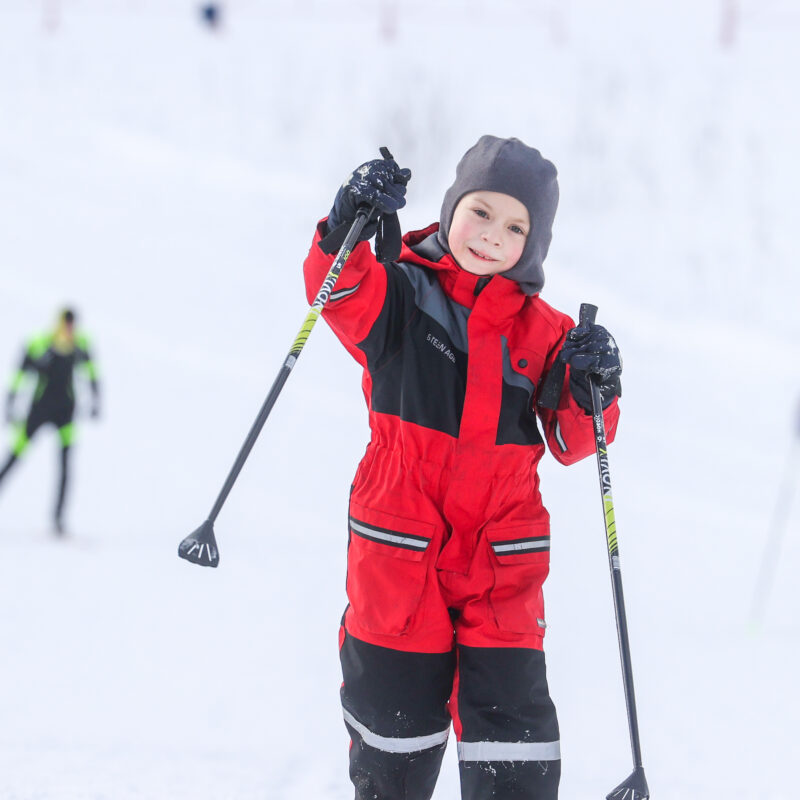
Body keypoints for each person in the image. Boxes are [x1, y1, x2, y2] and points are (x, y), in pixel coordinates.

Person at [302, 136, 622, 800]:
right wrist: (347, 226)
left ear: (533, 246)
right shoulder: (402, 292)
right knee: (395, 732)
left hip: (502, 556)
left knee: (516, 743)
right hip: (401, 545)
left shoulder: (544, 334)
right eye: (480, 211)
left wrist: (598, 385)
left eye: (515, 227)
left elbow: (573, 438)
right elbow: (338, 289)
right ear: (451, 207)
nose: (491, 235)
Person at [0, 308, 100, 534]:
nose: (68, 329)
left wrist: (96, 399)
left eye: (72, 325)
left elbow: (92, 371)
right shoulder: (41, 343)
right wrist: (10, 403)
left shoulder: (80, 344)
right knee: (14, 457)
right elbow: (20, 373)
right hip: (39, 411)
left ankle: (58, 519)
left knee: (65, 465)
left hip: (66, 413)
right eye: (65, 324)